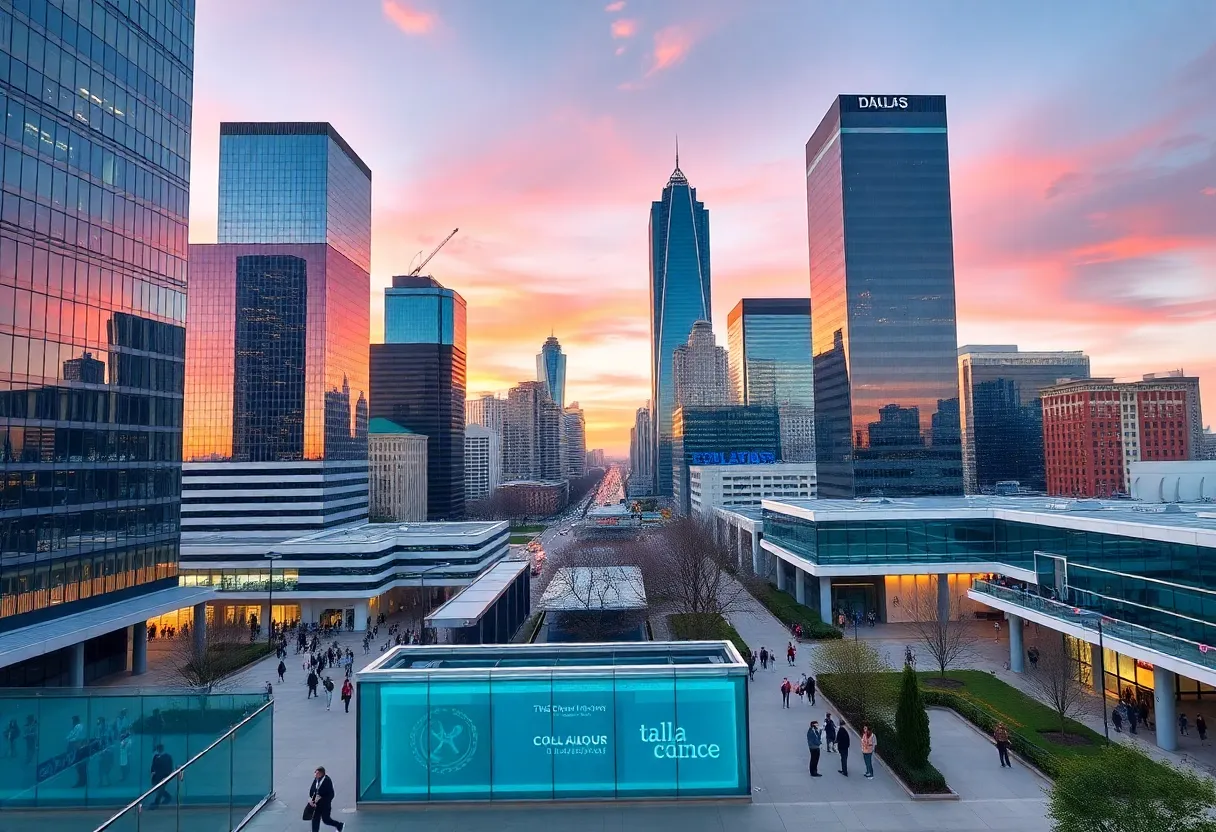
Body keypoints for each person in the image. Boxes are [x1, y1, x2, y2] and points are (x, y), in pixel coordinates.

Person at [308, 766, 345, 831]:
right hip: (317, 805)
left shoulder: (327, 781)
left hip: (325, 805)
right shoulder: (316, 780)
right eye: (315, 773)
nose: (315, 774)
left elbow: (331, 794)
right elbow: (312, 790)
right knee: (315, 819)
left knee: (326, 820)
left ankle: (339, 825)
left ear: (321, 774)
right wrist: (312, 799)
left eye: (317, 773)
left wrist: (321, 798)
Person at [67, 716, 86, 787]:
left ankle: (82, 781)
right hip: (77, 749)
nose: (72, 722)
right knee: (79, 767)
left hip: (80, 749)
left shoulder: (79, 728)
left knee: (81, 766)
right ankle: (82, 781)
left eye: (73, 721)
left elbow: (79, 739)